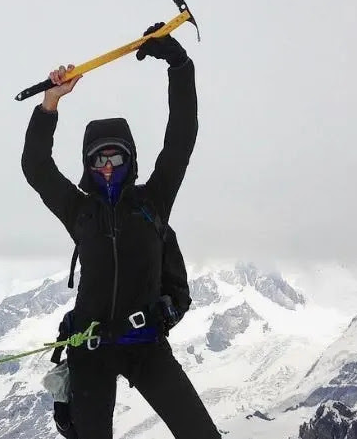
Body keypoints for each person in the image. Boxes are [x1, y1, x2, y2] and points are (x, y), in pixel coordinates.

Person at [22, 23, 221, 439]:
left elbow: (182, 135)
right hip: (90, 348)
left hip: (145, 341)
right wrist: (50, 103)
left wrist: (178, 63)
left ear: (130, 159)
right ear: (88, 166)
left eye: (115, 156)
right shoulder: (79, 210)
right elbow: (36, 167)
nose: (107, 166)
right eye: (98, 160)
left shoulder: (152, 202)